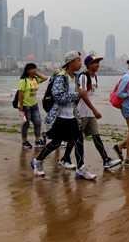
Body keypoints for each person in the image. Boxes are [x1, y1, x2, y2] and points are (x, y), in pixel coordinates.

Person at [29, 51, 98, 181]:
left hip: (72, 115)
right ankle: (37, 161)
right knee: (56, 143)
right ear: (70, 62)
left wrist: (79, 95)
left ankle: (81, 168)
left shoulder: (76, 76)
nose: (80, 63)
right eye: (78, 60)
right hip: (60, 116)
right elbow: (58, 96)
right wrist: (78, 95)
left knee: (78, 140)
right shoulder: (61, 76)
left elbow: (76, 93)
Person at [61, 53, 122, 172]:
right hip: (81, 113)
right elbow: (83, 95)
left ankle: (106, 160)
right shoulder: (84, 76)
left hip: (89, 113)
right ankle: (67, 159)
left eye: (98, 62)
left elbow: (90, 95)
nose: (97, 65)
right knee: (77, 139)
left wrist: (93, 110)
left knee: (96, 136)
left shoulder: (95, 77)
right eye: (95, 62)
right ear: (89, 65)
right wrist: (94, 110)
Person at [16, 63, 48, 149]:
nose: (35, 70)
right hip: (26, 106)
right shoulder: (23, 81)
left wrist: (37, 73)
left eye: (35, 69)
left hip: (34, 105)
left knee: (38, 123)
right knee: (25, 124)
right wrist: (21, 106)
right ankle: (24, 141)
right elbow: (21, 94)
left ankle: (37, 140)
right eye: (33, 69)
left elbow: (45, 78)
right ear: (28, 70)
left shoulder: (35, 79)